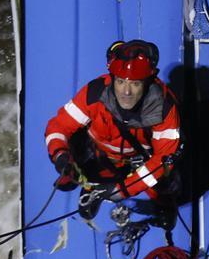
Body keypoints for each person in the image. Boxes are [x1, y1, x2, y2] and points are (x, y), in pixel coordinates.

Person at [44, 40, 182, 220]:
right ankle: (87, 186)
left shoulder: (164, 108)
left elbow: (162, 161)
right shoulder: (94, 93)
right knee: (83, 164)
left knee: (165, 182)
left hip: (139, 160)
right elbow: (59, 126)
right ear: (113, 78)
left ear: (147, 82)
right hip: (99, 153)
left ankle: (163, 207)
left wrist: (123, 190)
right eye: (120, 81)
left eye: (135, 83)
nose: (126, 92)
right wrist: (60, 155)